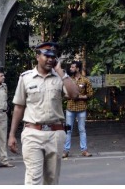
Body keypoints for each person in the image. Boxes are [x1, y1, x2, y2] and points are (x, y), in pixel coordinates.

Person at [8, 42, 79, 185]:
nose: (50, 59)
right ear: (37, 56)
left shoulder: (60, 78)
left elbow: (75, 95)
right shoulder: (26, 78)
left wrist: (61, 72)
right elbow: (19, 107)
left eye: (53, 56)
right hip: (32, 133)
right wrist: (11, 135)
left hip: (55, 134)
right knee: (34, 178)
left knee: (51, 180)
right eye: (47, 56)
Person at [63, 60, 94, 158]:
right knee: (68, 130)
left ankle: (84, 150)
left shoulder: (85, 80)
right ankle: (65, 151)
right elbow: (64, 94)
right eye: (70, 67)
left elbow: (90, 94)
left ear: (77, 69)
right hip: (70, 108)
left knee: (82, 130)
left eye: (72, 67)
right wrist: (71, 96)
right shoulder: (68, 80)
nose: (70, 69)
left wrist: (78, 97)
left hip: (81, 109)